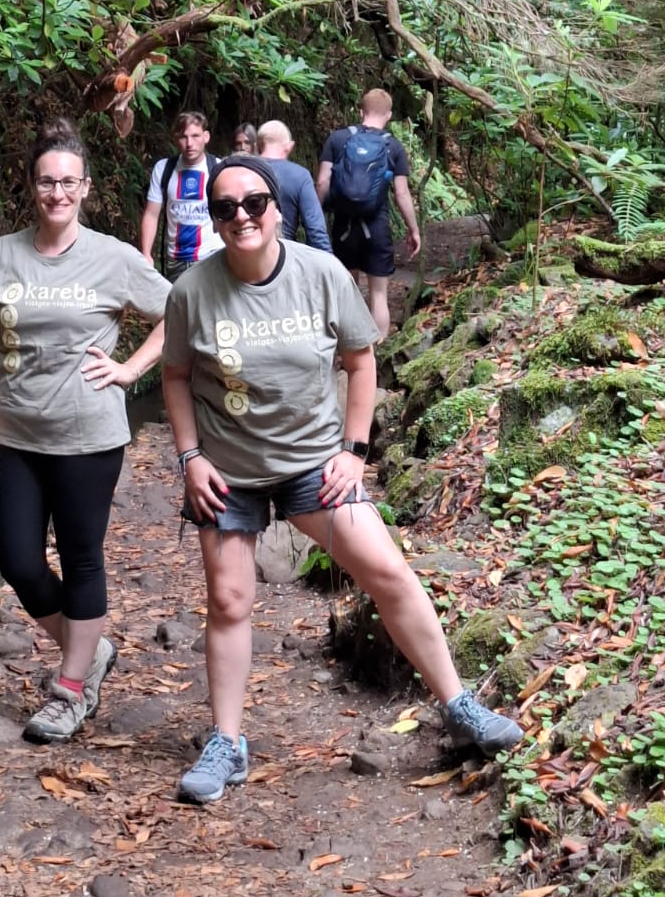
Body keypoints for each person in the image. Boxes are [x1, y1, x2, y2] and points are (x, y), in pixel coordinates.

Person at [162, 154, 523, 805]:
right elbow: (177, 377)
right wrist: (191, 458)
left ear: (277, 208)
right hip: (229, 473)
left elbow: (360, 363)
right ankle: (227, 741)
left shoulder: (320, 273)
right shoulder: (192, 291)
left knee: (386, 571)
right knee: (230, 600)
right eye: (224, 208)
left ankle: (460, 705)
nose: (240, 216)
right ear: (213, 222)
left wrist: (354, 451)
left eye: (254, 203)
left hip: (310, 464)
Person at [0, 118, 171, 744]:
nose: (57, 192)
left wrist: (131, 368)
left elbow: (181, 311)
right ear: (32, 187)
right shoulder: (2, 254)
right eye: (46, 182)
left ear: (85, 187)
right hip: (15, 435)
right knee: (19, 560)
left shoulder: (113, 257)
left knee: (82, 558)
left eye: (68, 182)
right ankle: (92, 649)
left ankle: (72, 687)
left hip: (88, 434)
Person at [316, 88, 421, 335]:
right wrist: (413, 229)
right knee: (379, 295)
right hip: (377, 228)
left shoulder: (338, 139)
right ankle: (377, 357)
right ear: (389, 115)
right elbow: (401, 193)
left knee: (346, 292)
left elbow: (322, 182)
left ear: (360, 111)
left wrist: (316, 219)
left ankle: (348, 356)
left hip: (343, 227)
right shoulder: (392, 146)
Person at [139, 110, 220, 281]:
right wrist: (146, 253)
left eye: (195, 136)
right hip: (175, 258)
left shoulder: (218, 168)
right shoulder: (164, 169)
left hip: (212, 255)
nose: (190, 143)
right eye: (184, 137)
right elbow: (152, 214)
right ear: (176, 139)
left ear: (206, 136)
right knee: (179, 307)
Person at [256, 121, 332, 252]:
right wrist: (329, 264)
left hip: (242, 254)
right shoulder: (299, 175)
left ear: (258, 145)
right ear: (289, 146)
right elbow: (315, 229)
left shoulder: (241, 169)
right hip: (282, 254)